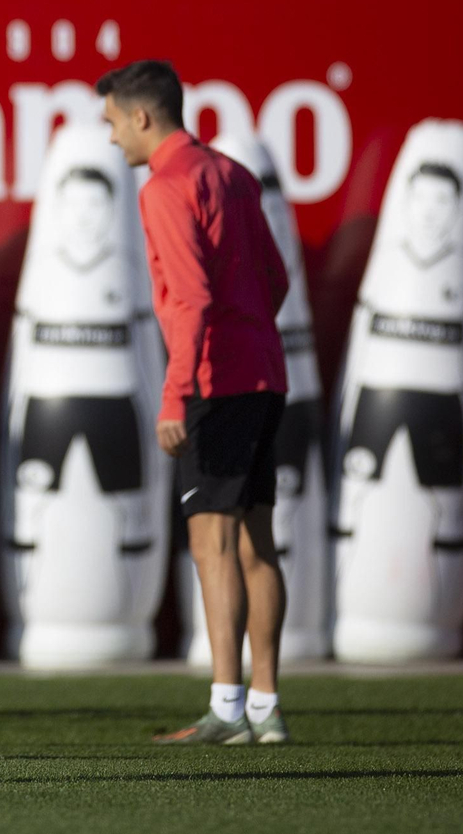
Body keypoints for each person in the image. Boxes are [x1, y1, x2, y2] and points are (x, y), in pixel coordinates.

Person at [97, 60, 290, 745]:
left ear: (143, 117)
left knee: (213, 543)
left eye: (114, 123)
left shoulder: (164, 187)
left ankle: (228, 708)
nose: (113, 139)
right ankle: (264, 711)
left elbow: (193, 300)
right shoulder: (232, 173)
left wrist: (178, 393)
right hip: (265, 375)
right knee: (258, 543)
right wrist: (251, 335)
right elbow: (276, 279)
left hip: (214, 383)